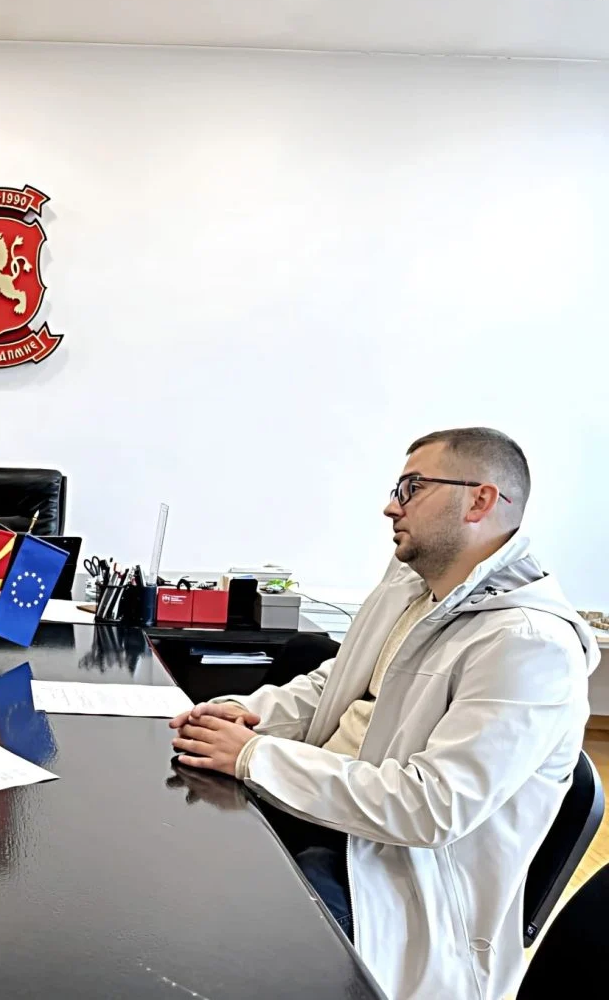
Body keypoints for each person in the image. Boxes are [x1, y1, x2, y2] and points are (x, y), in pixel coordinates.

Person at [170, 428, 598, 1000]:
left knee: (211, 949)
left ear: (480, 500)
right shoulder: (414, 588)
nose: (391, 506)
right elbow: (336, 686)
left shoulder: (529, 644)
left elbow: (431, 807)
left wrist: (254, 757)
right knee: (177, 866)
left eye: (412, 487)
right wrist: (244, 714)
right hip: (329, 818)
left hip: (390, 884)